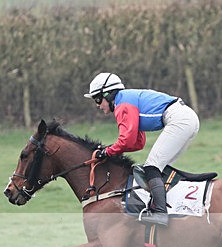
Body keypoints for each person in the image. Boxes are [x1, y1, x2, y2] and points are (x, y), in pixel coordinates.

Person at [84, 72, 200, 226]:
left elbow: (126, 140)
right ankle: (168, 207)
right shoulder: (126, 100)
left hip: (179, 120)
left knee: (151, 167)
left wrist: (107, 152)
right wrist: (111, 150)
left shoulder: (122, 105)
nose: (98, 105)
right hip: (185, 118)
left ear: (108, 94)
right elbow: (138, 143)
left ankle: (160, 214)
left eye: (98, 99)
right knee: (159, 168)